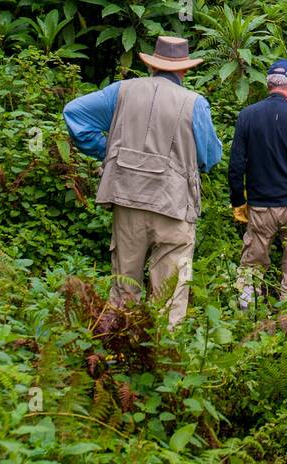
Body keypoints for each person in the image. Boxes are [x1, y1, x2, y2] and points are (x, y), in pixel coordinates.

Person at [62, 35, 222, 329]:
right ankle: (163, 358)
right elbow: (210, 157)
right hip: (174, 206)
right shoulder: (194, 103)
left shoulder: (121, 91)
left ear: (151, 66)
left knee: (124, 288)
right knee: (169, 294)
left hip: (127, 199)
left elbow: (75, 115)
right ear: (185, 70)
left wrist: (109, 152)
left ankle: (120, 351)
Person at [229, 59, 287, 308]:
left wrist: (238, 203)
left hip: (261, 207)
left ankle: (245, 315)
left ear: (268, 84)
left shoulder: (247, 116)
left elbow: (236, 166)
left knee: (251, 266)